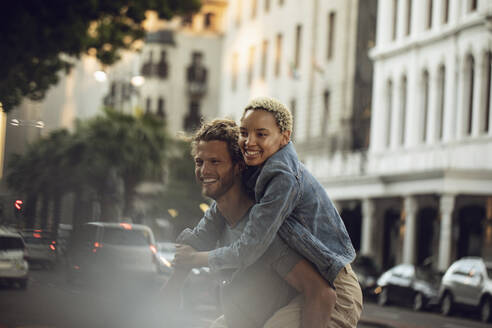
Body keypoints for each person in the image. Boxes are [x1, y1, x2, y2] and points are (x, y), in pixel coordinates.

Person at [175, 97, 363, 327]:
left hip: (336, 288)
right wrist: (187, 249)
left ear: (285, 137)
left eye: (261, 134)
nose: (249, 141)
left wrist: (197, 259)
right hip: (304, 287)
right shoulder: (253, 170)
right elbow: (215, 214)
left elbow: (250, 247)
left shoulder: (282, 176)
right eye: (244, 133)